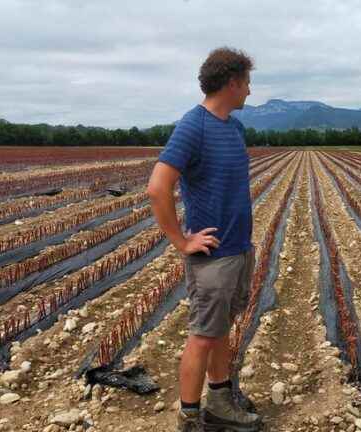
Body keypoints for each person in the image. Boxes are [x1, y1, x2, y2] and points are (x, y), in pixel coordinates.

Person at [147, 47, 261, 432]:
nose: (249, 90)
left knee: (220, 330)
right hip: (212, 258)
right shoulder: (193, 126)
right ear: (231, 83)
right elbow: (157, 187)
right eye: (246, 82)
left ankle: (221, 401)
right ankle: (190, 419)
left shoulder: (233, 126)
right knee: (202, 336)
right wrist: (181, 241)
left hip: (238, 249)